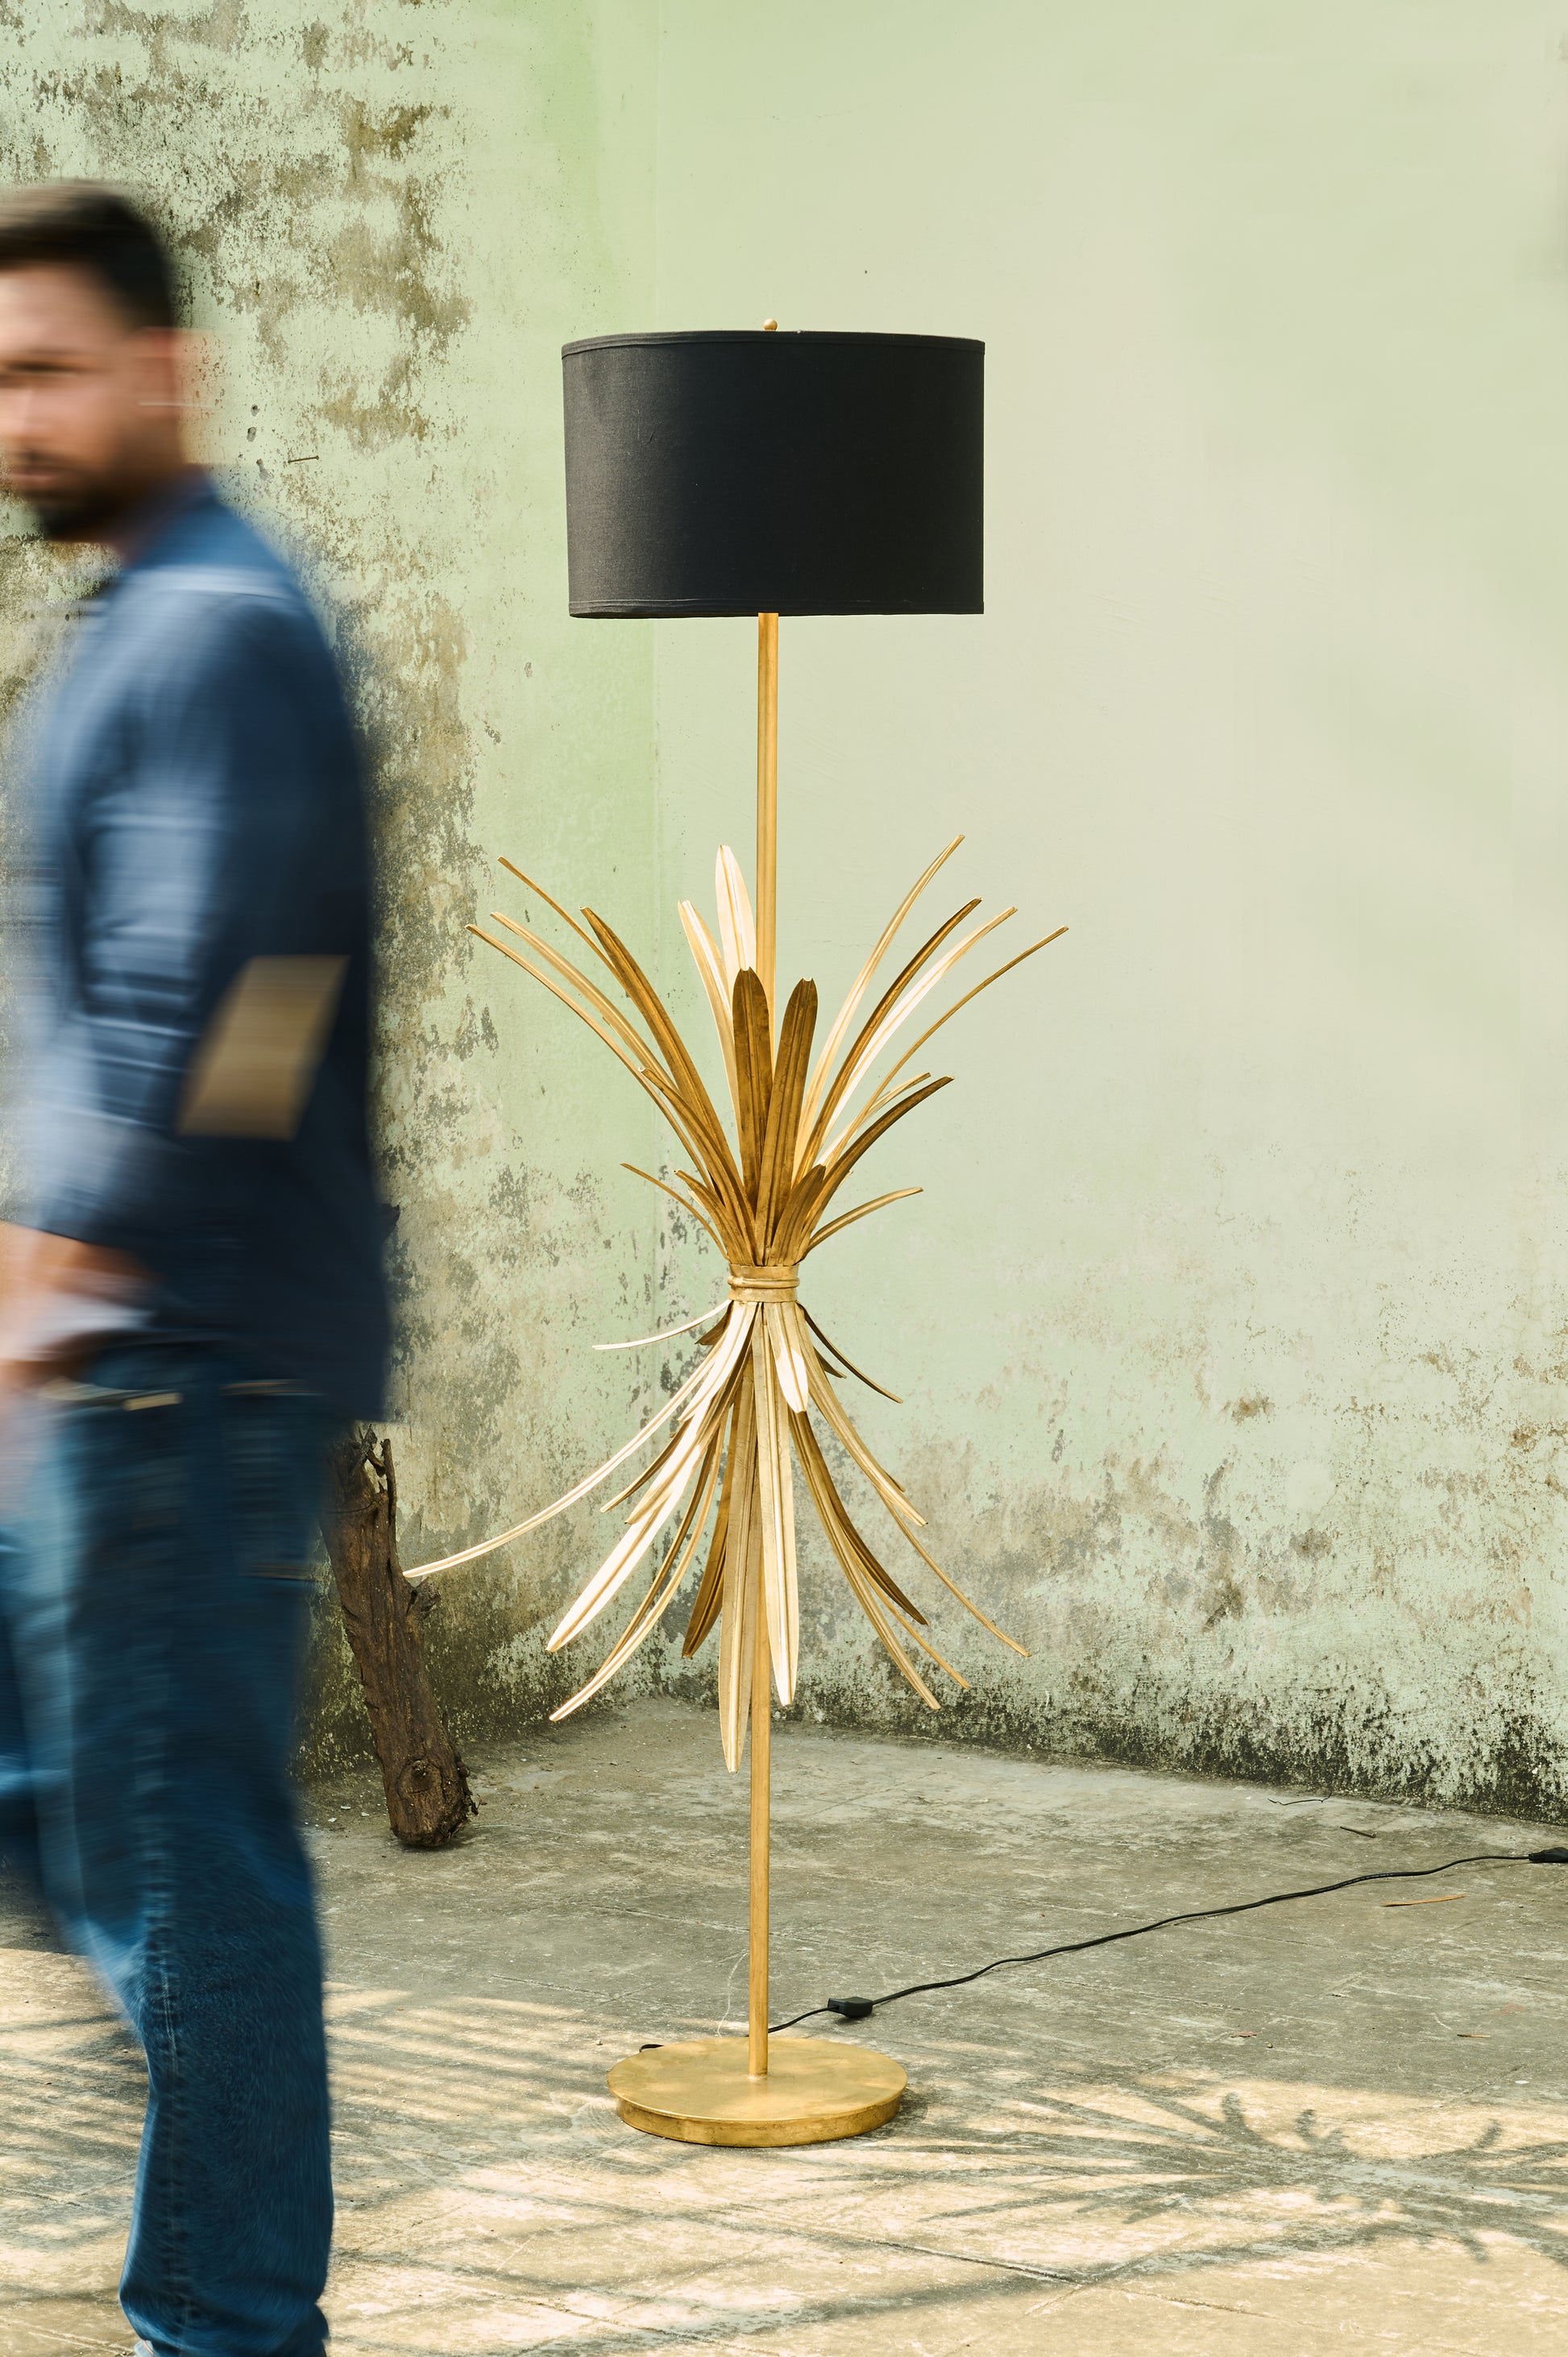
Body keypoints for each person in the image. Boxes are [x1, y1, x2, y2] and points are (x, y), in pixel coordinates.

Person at [0, 185, 387, 2357]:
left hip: (171, 1366)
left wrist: (60, 1285)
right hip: (121, 1355)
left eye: (49, 371)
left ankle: (231, 2327)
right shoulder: (158, 611)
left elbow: (231, 1003)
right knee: (83, 1822)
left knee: (182, 1874)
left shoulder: (219, 629)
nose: (17, 422)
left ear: (169, 373)